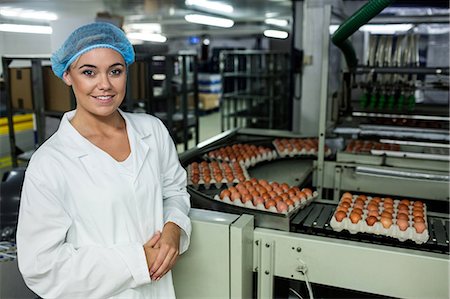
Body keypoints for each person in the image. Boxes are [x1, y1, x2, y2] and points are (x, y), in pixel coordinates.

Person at [16, 22, 192, 298]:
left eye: (115, 71)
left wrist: (174, 228)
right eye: (89, 72)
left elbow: (174, 190)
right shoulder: (49, 164)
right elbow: (42, 267)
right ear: (67, 75)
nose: (105, 85)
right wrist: (136, 261)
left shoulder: (152, 131)